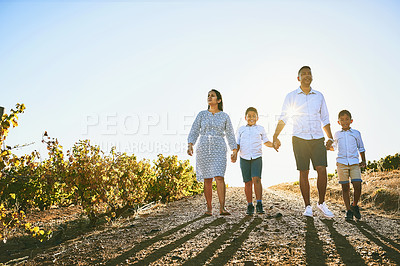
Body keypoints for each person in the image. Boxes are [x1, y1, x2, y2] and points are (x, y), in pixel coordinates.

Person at [273, 66, 335, 218]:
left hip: (317, 137)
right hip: (299, 138)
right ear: (298, 78)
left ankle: (321, 203)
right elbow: (284, 117)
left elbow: (325, 119)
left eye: (309, 73)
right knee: (304, 171)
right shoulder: (291, 96)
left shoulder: (319, 96)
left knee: (321, 169)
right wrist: (275, 136)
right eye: (303, 74)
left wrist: (330, 137)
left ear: (312, 77)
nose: (307, 76)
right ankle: (307, 206)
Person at [187, 89, 238, 216]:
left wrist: (234, 150)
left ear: (219, 100)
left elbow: (230, 134)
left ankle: (222, 208)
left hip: (219, 147)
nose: (209, 97)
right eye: (208, 96)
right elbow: (194, 130)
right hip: (204, 147)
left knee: (220, 176)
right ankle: (209, 208)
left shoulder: (225, 116)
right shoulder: (202, 114)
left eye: (212, 96)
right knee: (207, 179)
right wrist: (190, 144)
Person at [232, 107, 274, 215]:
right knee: (247, 182)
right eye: (249, 116)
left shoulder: (260, 128)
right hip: (244, 158)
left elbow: (266, 141)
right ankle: (250, 205)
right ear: (245, 117)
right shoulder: (241, 129)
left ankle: (259, 204)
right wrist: (235, 153)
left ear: (257, 118)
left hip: (256, 157)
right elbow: (237, 143)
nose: (251, 118)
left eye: (253, 116)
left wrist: (273, 145)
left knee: (257, 179)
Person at [333, 110, 366, 221]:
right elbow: (333, 147)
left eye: (347, 119)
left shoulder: (356, 133)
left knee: (357, 186)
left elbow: (361, 147)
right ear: (338, 122)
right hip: (341, 163)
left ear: (351, 120)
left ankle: (354, 205)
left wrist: (364, 160)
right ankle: (348, 211)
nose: (344, 121)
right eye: (342, 120)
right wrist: (327, 145)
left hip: (354, 163)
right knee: (345, 187)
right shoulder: (337, 134)